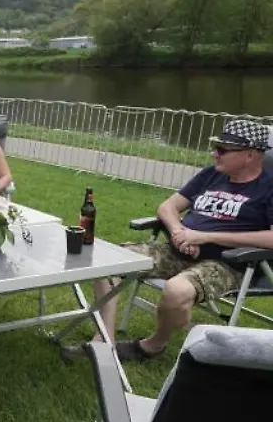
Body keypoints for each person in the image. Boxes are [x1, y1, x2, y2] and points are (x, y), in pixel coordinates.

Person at [63, 119, 273, 363]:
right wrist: (177, 231)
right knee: (107, 261)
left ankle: (152, 345)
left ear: (250, 155)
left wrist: (205, 236)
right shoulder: (210, 175)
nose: (215, 153)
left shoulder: (268, 188)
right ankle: (104, 341)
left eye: (223, 149)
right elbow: (168, 206)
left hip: (226, 263)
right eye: (216, 146)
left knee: (176, 291)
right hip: (177, 249)